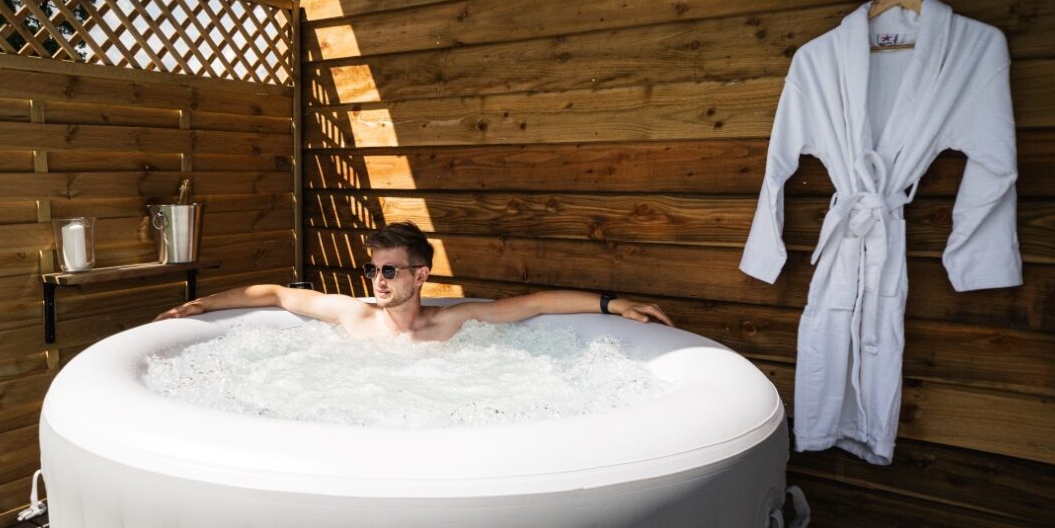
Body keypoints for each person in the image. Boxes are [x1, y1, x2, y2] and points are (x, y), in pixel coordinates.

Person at [153, 221, 673, 341]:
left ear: (420, 275)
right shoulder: (352, 315)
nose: (376, 280)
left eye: (388, 270)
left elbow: (534, 304)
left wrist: (614, 303)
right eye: (371, 268)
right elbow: (274, 294)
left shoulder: (453, 320)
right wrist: (198, 304)